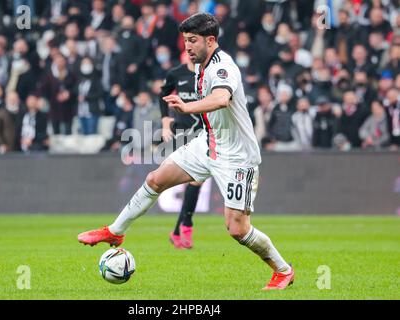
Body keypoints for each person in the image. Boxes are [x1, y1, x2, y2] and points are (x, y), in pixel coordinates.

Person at [78, 13, 294, 290]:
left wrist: (186, 107)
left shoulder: (223, 66)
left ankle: (283, 271)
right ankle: (115, 232)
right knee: (155, 179)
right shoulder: (200, 67)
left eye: (193, 41)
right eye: (185, 41)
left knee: (238, 229)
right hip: (209, 143)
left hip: (237, 157)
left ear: (211, 40)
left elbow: (221, 99)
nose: (187, 47)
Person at [159, 53, 203, 249]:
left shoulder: (207, 75)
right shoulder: (176, 73)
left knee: (196, 181)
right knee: (195, 180)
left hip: (203, 134)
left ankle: (179, 231)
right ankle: (186, 226)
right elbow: (163, 94)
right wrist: (165, 122)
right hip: (182, 134)